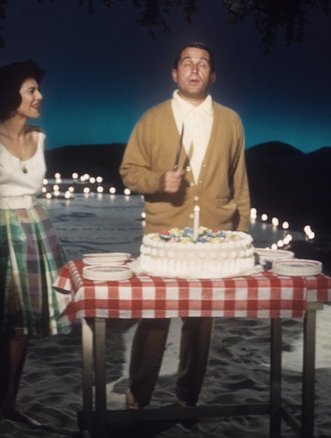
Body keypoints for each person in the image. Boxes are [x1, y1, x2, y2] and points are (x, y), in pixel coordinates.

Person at [119, 42, 251, 410]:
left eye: (203, 63)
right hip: (165, 236)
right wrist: (160, 182)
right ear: (174, 73)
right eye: (187, 63)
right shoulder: (152, 118)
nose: (195, 69)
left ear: (212, 75)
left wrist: (242, 231)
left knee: (200, 323)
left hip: (215, 238)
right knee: (156, 317)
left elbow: (239, 181)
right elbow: (129, 170)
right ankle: (139, 394)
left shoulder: (230, 120)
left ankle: (188, 397)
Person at [0, 59, 71, 437]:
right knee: (11, 332)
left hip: (36, 229)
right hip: (3, 233)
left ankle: (10, 406)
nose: (40, 96)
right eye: (31, 91)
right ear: (12, 97)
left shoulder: (39, 138)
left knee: (26, 330)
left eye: (38, 90)